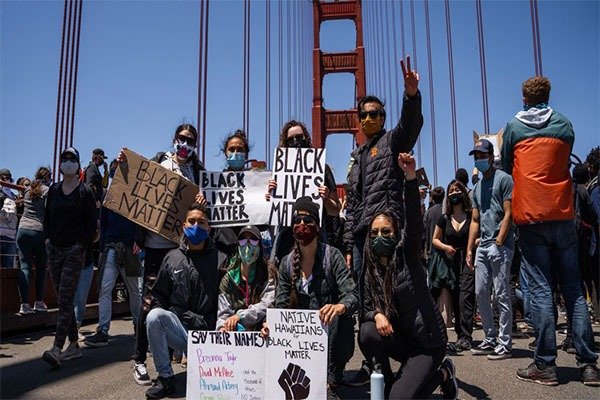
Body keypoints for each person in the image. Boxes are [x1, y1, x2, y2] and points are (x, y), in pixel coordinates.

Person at [501, 76, 599, 386]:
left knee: (541, 289)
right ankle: (588, 365)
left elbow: (505, 166)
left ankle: (545, 363)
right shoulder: (565, 124)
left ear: (524, 98)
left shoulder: (513, 128)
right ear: (549, 94)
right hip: (562, 212)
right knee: (573, 289)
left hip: (531, 216)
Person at [344, 56, 423, 385]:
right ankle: (377, 365)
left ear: (383, 118)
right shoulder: (358, 158)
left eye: (374, 114)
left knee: (393, 296)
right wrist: (349, 245)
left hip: (387, 235)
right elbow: (353, 206)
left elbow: (410, 127)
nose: (368, 118)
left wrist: (411, 96)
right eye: (363, 115)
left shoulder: (392, 142)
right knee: (366, 302)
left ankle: (418, 357)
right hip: (363, 239)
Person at [359, 153, 458, 399]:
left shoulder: (408, 256)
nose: (380, 237)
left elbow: (414, 220)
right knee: (368, 332)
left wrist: (411, 178)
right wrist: (377, 314)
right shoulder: (370, 268)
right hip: (403, 341)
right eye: (374, 233)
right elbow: (364, 309)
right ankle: (392, 382)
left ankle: (444, 373)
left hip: (428, 344)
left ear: (396, 233)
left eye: (386, 231)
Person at [121, 123, 205, 385]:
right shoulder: (160, 162)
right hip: (157, 249)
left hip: (181, 250)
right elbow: (136, 188)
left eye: (190, 140)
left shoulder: (198, 172)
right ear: (174, 139)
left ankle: (166, 361)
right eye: (181, 138)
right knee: (149, 305)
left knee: (175, 305)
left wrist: (202, 200)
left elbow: (201, 211)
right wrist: (124, 165)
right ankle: (138, 360)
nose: (185, 144)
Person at [268, 196, 358, 399]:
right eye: (297, 220)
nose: (302, 225)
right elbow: (280, 305)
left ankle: (332, 381)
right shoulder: (286, 263)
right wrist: (271, 324)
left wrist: (339, 307)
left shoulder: (332, 256)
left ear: (317, 226)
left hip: (332, 337)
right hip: (301, 342)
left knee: (339, 322)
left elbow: (352, 295)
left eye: (307, 220)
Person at [144, 203, 219, 399]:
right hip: (183, 333)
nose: (196, 226)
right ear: (184, 226)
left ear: (209, 228)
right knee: (154, 317)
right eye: (192, 221)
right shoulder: (172, 258)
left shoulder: (220, 259)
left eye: (201, 222)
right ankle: (166, 378)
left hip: (212, 337)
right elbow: (159, 295)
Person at [42, 147, 97, 367]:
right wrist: (47, 240)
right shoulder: (54, 190)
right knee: (62, 298)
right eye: (64, 158)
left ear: (78, 164)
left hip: (74, 251)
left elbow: (92, 224)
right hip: (54, 249)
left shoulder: (85, 192)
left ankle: (57, 347)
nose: (67, 162)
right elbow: (46, 218)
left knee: (65, 298)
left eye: (71, 159)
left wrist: (81, 246)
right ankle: (74, 345)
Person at [466, 139, 515, 360]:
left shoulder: (504, 179)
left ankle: (505, 342)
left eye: (481, 155)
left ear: (491, 156)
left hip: (500, 244)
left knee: (501, 294)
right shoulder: (476, 188)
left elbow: (509, 212)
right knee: (480, 293)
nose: (478, 159)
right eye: (475, 155)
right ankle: (490, 337)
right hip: (482, 246)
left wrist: (500, 239)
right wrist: (469, 248)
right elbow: (475, 220)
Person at [266, 120, 342, 263]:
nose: (296, 142)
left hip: (316, 237)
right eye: (290, 139)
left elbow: (336, 210)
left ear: (306, 138)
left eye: (299, 137)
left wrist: (325, 199)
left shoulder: (322, 169)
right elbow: (271, 212)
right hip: (286, 239)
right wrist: (270, 195)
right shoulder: (279, 171)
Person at [84, 160, 141, 347]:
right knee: (106, 289)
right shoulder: (110, 199)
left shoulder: (135, 198)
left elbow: (141, 223)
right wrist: (101, 250)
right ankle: (103, 331)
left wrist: (138, 242)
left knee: (134, 290)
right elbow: (104, 224)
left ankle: (138, 328)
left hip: (128, 248)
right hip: (111, 247)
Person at [429, 180, 475, 352]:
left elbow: (479, 235)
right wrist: (445, 247)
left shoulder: (471, 217)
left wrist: (473, 244)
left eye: (457, 190)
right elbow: (435, 239)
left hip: (468, 258)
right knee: (456, 297)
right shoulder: (444, 218)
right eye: (451, 191)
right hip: (450, 261)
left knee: (466, 297)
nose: (454, 193)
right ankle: (459, 334)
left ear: (463, 193)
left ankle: (466, 336)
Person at [216, 225, 276, 331]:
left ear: (260, 245)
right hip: (237, 336)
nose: (247, 246)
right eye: (243, 241)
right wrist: (222, 326)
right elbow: (223, 313)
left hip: (261, 331)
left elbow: (267, 304)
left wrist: (241, 316)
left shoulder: (268, 272)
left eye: (253, 240)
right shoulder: (228, 278)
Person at [16, 167, 51, 315]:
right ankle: (39, 302)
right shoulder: (47, 190)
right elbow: (49, 212)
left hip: (22, 229)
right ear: (48, 177)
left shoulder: (27, 189)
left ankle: (24, 304)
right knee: (41, 268)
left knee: (25, 267)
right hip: (39, 231)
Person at [0, 168, 18, 269]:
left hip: (11, 236)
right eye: (2, 178)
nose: (5, 180)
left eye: (8, 178)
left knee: (9, 269)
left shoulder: (14, 196)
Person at [423, 186, 445, 262]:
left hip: (431, 254)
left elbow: (424, 234)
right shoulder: (447, 212)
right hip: (445, 252)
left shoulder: (428, 213)